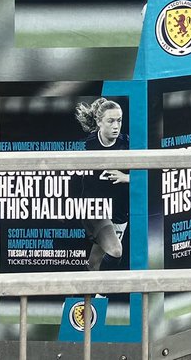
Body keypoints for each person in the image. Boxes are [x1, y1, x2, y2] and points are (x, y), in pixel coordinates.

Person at [74, 98, 130, 272]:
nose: (116, 126)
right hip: (96, 209)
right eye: (110, 121)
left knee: (95, 262)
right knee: (115, 251)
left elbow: (149, 175)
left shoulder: (127, 143)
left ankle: (82, 299)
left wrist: (126, 178)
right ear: (99, 122)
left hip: (119, 214)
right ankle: (100, 295)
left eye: (119, 121)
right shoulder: (87, 145)